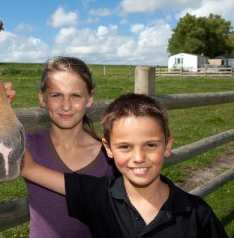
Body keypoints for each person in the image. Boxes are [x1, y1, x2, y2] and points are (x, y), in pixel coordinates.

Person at [22, 93, 228, 238]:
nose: (138, 157)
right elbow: (29, 168)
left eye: (150, 145)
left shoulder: (196, 213)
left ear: (167, 145)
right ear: (108, 148)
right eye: (124, 146)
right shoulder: (97, 196)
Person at [25, 56, 118, 237]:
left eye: (75, 95)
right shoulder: (29, 145)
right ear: (42, 98)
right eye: (56, 95)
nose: (66, 106)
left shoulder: (108, 156)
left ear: (89, 99)